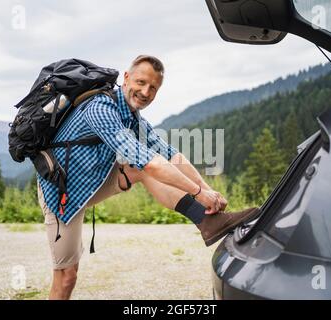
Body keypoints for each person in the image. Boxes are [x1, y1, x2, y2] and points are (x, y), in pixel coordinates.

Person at [37, 55, 259, 300]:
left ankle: (208, 222)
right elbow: (149, 161)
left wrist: (208, 190)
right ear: (126, 77)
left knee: (142, 168)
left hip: (92, 182)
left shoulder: (133, 117)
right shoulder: (100, 108)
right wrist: (198, 193)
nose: (145, 91)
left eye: (153, 87)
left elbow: (171, 155)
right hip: (63, 193)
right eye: (141, 82)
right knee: (67, 277)